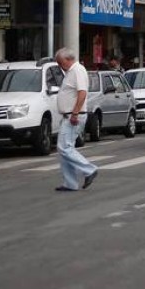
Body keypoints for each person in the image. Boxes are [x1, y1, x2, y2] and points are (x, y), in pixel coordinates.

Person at [54, 47, 98, 192]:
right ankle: (70, 183)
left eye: (61, 63)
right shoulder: (71, 71)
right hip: (69, 115)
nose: (60, 66)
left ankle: (89, 170)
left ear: (68, 59)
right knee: (66, 148)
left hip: (74, 115)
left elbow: (82, 93)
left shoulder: (77, 70)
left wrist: (75, 113)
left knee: (64, 147)